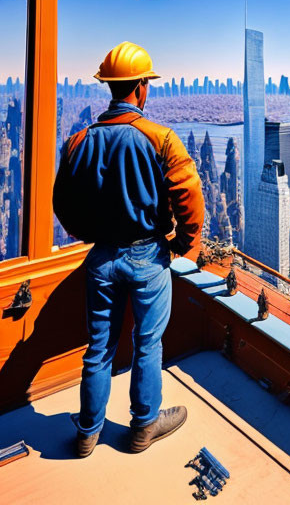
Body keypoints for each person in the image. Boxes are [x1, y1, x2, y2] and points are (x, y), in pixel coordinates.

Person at [53, 41, 204, 458]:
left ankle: (87, 433)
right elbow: (190, 197)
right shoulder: (161, 138)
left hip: (102, 259)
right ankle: (143, 427)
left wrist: (90, 237)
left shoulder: (78, 140)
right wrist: (182, 245)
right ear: (141, 88)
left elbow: (62, 203)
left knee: (98, 348)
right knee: (147, 344)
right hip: (147, 258)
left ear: (109, 88)